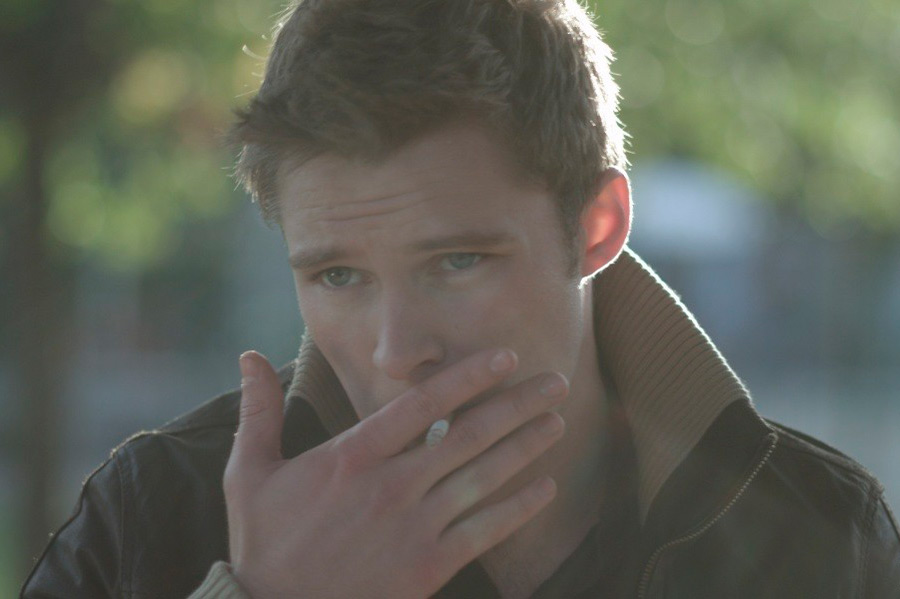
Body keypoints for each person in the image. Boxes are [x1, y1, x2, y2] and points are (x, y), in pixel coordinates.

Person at [22, 0, 900, 597]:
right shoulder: (154, 516)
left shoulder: (815, 536)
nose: (397, 349)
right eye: (338, 276)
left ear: (596, 227)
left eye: (458, 261)